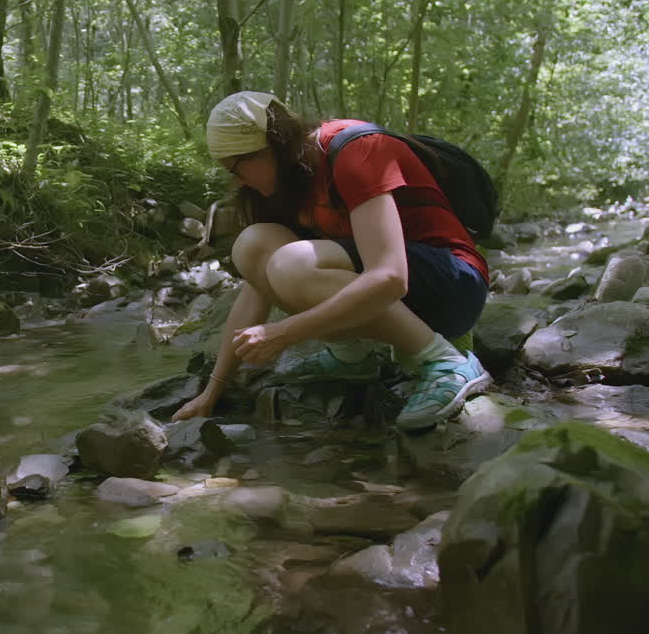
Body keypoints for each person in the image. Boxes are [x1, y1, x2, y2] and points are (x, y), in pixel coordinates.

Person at [172, 91, 491, 430]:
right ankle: (352, 358)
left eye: (236, 167)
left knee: (292, 265)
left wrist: (284, 333)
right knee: (252, 245)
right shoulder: (289, 182)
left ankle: (445, 362)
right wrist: (212, 392)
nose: (236, 181)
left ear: (273, 146)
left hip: (453, 285)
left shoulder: (358, 151)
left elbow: (391, 276)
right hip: (399, 297)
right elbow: (256, 291)